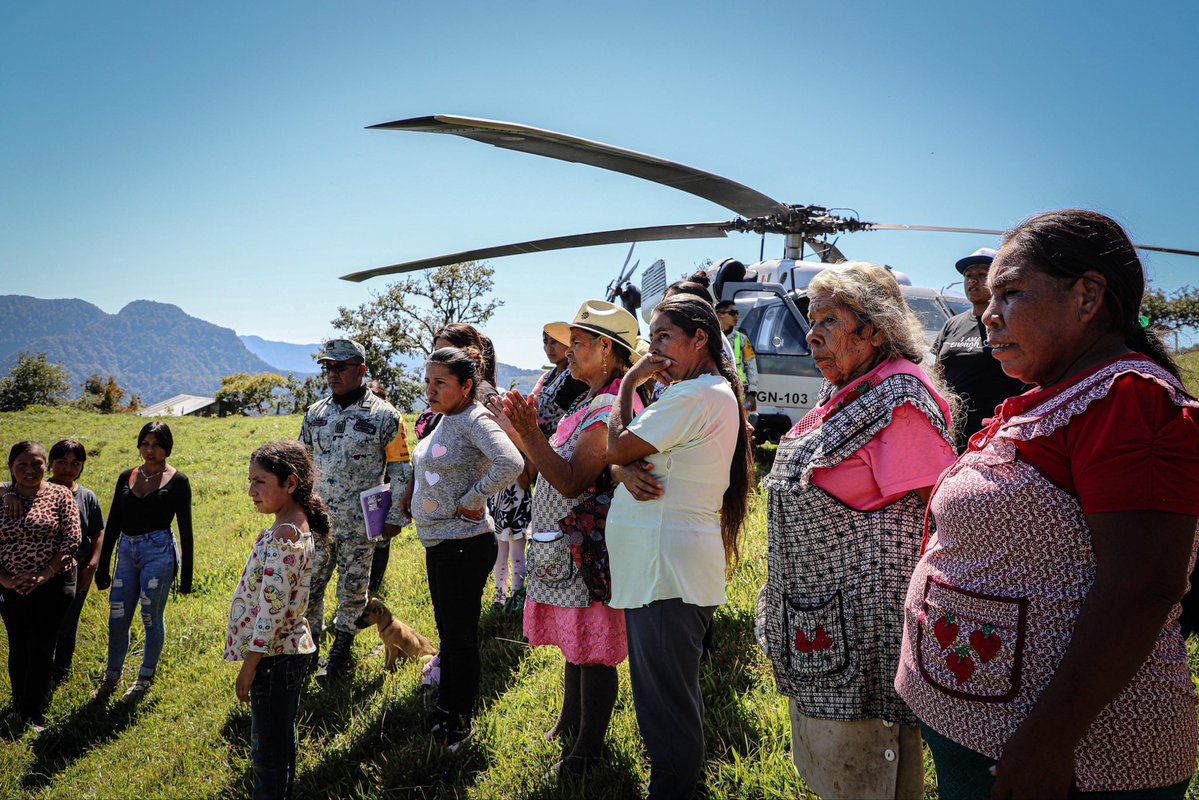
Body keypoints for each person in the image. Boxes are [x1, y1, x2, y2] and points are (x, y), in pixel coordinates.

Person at [895, 209, 1199, 799]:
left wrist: (1049, 738)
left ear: (1088, 297)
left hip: (1071, 759)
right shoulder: (1053, 399)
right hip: (984, 732)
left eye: (1010, 294)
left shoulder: (1128, 400)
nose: (987, 313)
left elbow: (1143, 584)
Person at [760, 263, 957, 799]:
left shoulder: (899, 399)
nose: (812, 334)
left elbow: (944, 514)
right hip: (822, 620)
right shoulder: (847, 393)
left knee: (868, 773)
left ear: (874, 329)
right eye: (810, 318)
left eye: (829, 319)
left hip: (867, 634)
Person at [489, 301, 647, 778]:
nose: (569, 352)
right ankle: (572, 723)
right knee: (579, 643)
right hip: (569, 546)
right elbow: (543, 466)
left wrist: (529, 434)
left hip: (589, 548)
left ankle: (588, 752)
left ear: (607, 348)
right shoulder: (592, 398)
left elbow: (574, 480)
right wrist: (519, 430)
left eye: (578, 343)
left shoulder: (613, 404)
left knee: (594, 649)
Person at [605, 295, 753, 799]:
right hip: (663, 569)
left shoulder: (695, 395)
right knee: (667, 700)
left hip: (664, 572)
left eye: (664, 336)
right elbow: (626, 459)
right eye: (651, 339)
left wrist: (627, 382)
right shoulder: (700, 393)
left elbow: (618, 446)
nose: (654, 350)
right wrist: (623, 468)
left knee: (666, 707)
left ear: (699, 340)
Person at [401, 345, 523, 751]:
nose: (430, 390)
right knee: (450, 635)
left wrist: (475, 498)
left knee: (461, 637)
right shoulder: (446, 417)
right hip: (442, 543)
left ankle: (459, 723)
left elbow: (511, 461)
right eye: (428, 382)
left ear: (466, 385)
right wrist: (412, 493)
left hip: (463, 545)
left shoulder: (474, 419)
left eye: (441, 383)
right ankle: (445, 707)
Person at [299, 339, 411, 680]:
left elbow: (401, 470)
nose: (332, 374)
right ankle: (308, 651)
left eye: (340, 367)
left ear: (361, 370)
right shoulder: (315, 413)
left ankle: (340, 653)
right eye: (327, 368)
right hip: (318, 523)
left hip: (362, 523)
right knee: (309, 588)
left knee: (353, 590)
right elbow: (302, 464)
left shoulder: (385, 416)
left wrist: (394, 518)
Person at [226, 441, 327, 800]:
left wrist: (249, 665)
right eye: (250, 480)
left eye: (261, 482)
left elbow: (272, 612)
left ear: (291, 483)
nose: (251, 491)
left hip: (273, 657)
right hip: (287, 652)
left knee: (266, 752)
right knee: (281, 740)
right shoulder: (288, 527)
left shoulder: (286, 535)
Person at [95, 421, 194, 699]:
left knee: (151, 616)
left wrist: (186, 577)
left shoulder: (178, 481)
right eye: (145, 444)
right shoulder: (126, 476)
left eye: (157, 445)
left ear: (167, 448)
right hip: (126, 550)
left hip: (158, 553)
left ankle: (145, 676)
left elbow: (185, 529)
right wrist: (103, 566)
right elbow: (113, 521)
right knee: (117, 617)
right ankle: (112, 674)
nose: (150, 450)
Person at [0, 442, 80, 732]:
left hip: (54, 583)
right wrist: (6, 579)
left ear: (46, 465)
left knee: (42, 646)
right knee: (19, 645)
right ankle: (19, 704)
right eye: (22, 464)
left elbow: (72, 539)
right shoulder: (3, 495)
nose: (30, 470)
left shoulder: (60, 494)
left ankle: (33, 713)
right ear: (11, 467)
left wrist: (44, 574)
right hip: (11, 586)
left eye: (36, 463)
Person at [933, 247, 1025, 451]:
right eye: (968, 275)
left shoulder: (1010, 323)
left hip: (993, 436)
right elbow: (938, 372)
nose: (972, 280)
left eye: (982, 274)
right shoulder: (952, 324)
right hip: (949, 433)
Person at [364, 380, 411, 595]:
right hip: (365, 488)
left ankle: (374, 585)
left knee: (382, 539)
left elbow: (401, 462)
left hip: (385, 486)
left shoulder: (393, 419)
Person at [715, 300, 758, 412]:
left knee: (743, 423)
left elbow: (751, 365)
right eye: (733, 312)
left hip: (740, 391)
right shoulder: (712, 338)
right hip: (718, 388)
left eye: (737, 312)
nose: (736, 316)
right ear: (720, 314)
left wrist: (752, 393)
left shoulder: (742, 338)